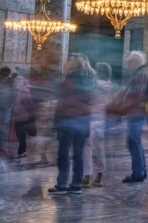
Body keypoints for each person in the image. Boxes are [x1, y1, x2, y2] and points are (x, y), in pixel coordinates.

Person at [48, 53, 95, 196]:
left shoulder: (70, 80)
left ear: (74, 64)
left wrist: (56, 120)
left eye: (69, 61)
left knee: (63, 154)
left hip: (68, 120)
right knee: (78, 154)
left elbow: (63, 101)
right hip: (82, 120)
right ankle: (76, 185)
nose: (66, 63)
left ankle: (61, 185)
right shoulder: (89, 80)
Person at [117, 51, 148, 183]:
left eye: (130, 62)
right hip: (135, 112)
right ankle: (141, 171)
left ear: (136, 62)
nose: (128, 64)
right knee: (134, 142)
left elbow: (140, 94)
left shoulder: (142, 73)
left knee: (133, 141)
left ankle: (138, 173)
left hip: (137, 112)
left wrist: (126, 105)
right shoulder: (140, 73)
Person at [84, 62, 113, 187]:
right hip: (103, 119)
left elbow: (89, 99)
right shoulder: (109, 86)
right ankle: (99, 176)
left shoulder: (94, 85)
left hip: (91, 118)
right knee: (100, 148)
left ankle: (87, 176)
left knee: (87, 147)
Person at [10, 68, 35, 159]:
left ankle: (22, 150)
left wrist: (31, 115)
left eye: (17, 82)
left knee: (21, 134)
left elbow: (29, 104)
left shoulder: (24, 91)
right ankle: (21, 150)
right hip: (18, 116)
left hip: (23, 117)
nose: (15, 84)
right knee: (20, 134)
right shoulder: (17, 91)